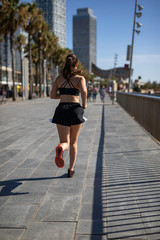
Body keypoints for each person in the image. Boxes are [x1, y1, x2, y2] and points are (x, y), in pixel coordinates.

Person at [50, 54, 87, 177]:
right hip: (75, 109)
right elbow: (84, 91)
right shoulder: (80, 78)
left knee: (65, 142)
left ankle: (60, 147)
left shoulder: (59, 78)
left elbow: (52, 95)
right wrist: (84, 104)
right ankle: (71, 170)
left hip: (61, 109)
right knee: (74, 143)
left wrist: (63, 95)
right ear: (76, 64)